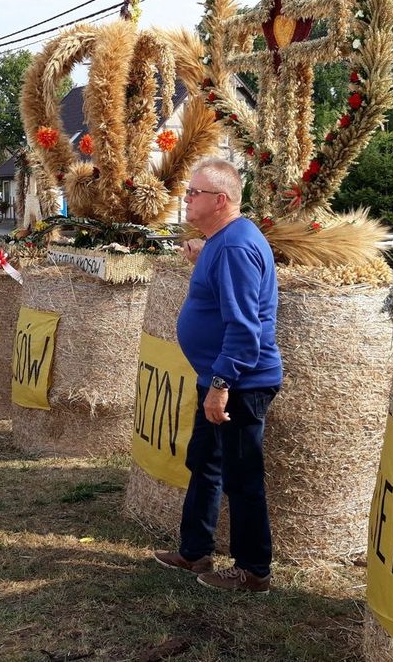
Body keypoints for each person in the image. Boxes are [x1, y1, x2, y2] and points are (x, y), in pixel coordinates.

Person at [154, 158, 283, 593]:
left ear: (220, 200)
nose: (186, 199)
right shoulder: (224, 241)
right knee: (204, 463)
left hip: (239, 383)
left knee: (242, 477)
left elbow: (246, 328)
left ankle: (253, 571)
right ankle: (195, 551)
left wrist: (222, 385)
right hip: (220, 377)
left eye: (194, 194)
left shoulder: (233, 247)